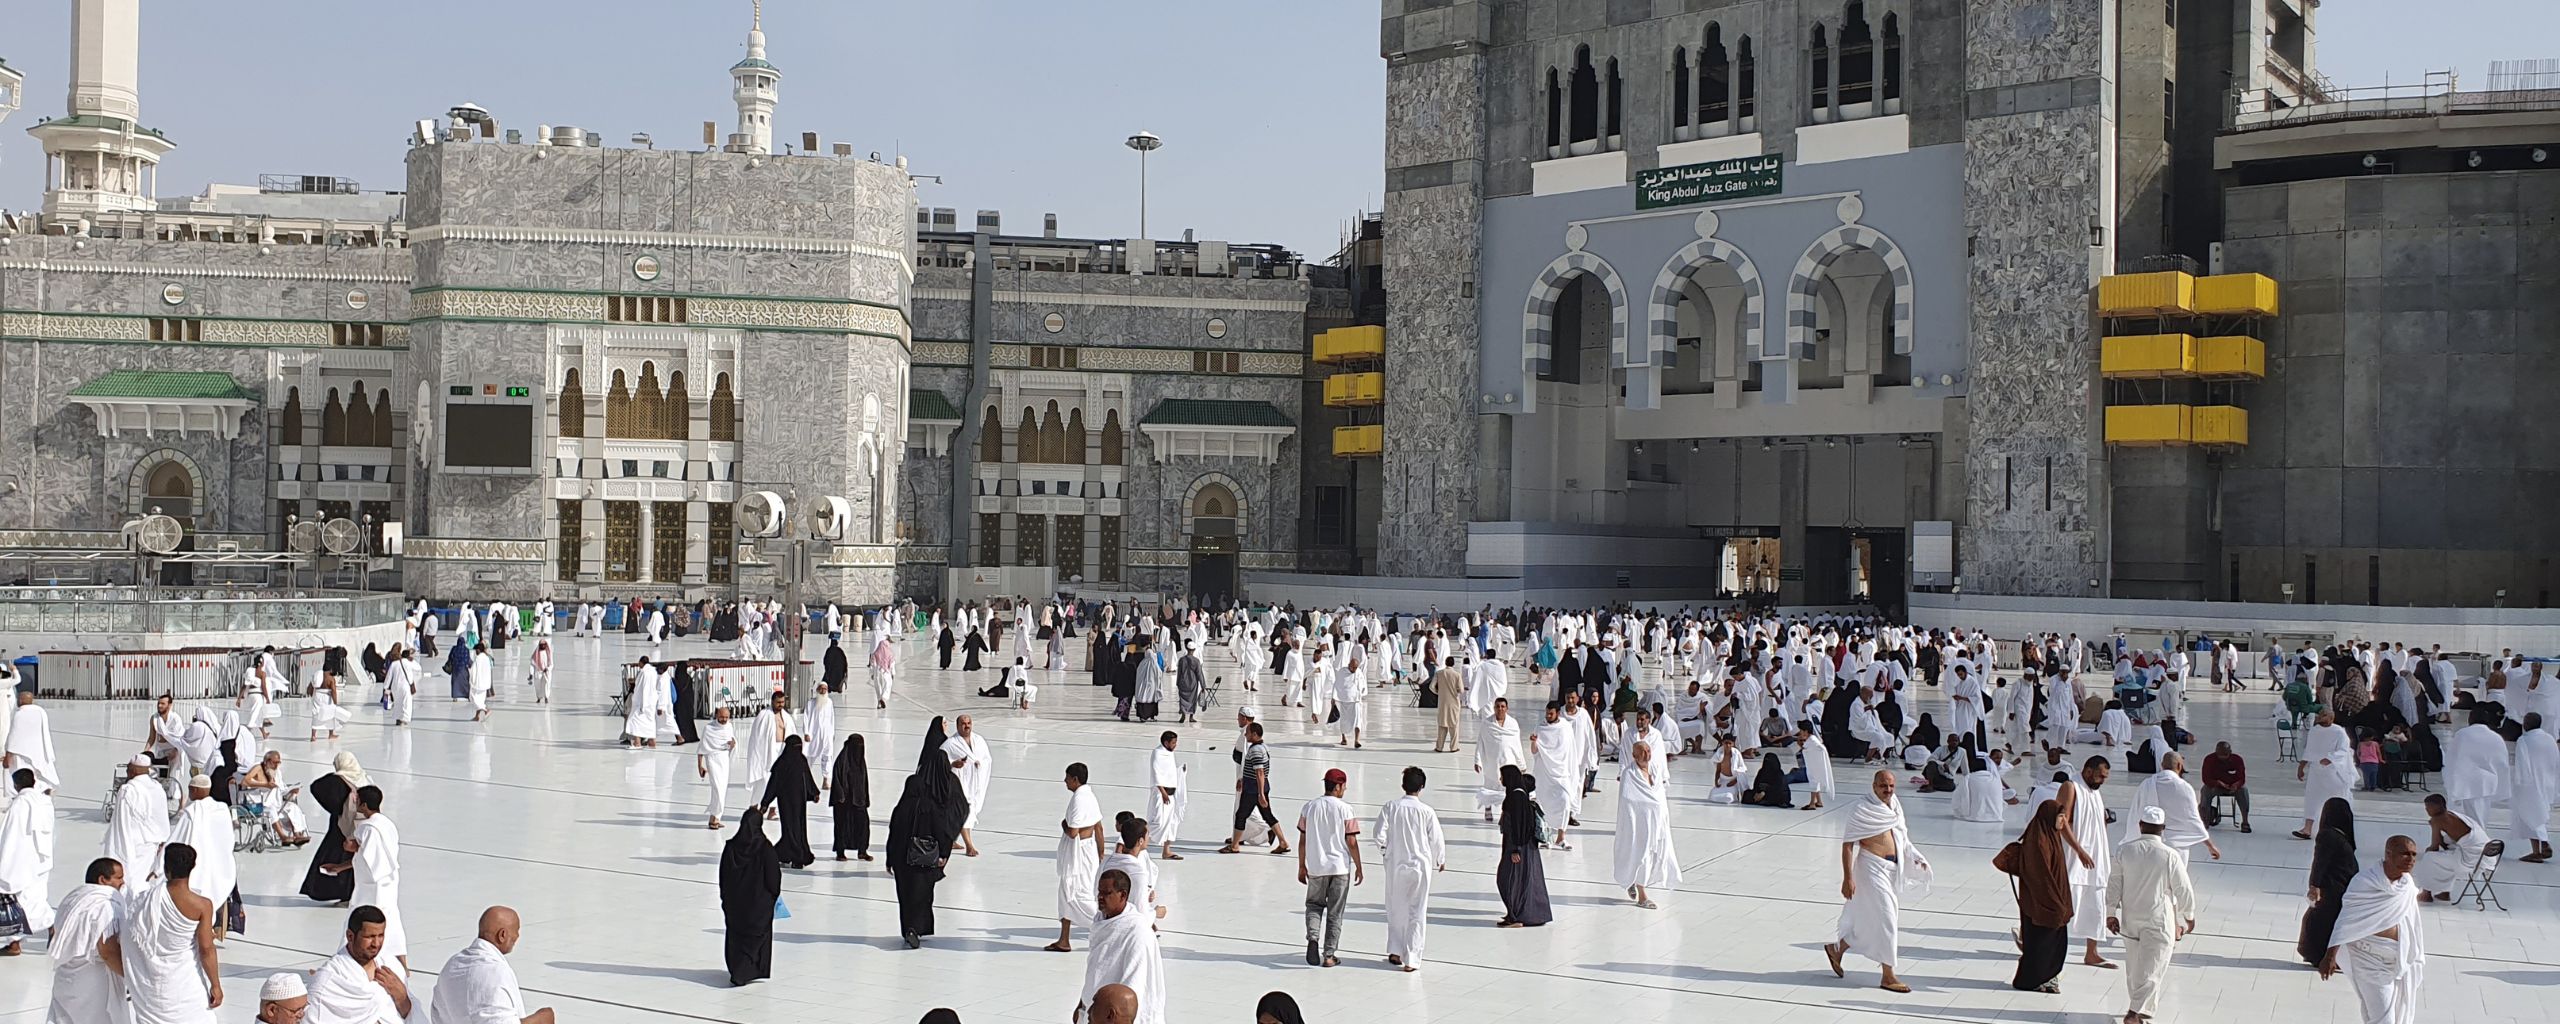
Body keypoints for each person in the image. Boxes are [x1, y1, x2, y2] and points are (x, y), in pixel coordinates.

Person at [1825, 770, 1928, 994]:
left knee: (1868, 920)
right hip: (1870, 868)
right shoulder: (1861, 808)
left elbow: (1902, 837)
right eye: (1883, 786)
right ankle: (1888, 976)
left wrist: (1915, 858)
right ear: (1874, 786)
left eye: (1891, 786)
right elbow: (1848, 844)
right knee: (1887, 920)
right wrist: (1847, 878)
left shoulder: (1894, 806)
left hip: (1891, 869)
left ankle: (1836, 949)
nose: (1888, 790)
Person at [107, 842, 221, 1024]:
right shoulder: (201, 905)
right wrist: (215, 985)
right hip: (185, 982)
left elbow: (129, 938)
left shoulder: (145, 901)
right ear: (192, 867)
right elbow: (206, 949)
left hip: (151, 984)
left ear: (166, 867)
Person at [2320, 835, 2425, 1024]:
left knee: (2378, 1016)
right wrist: (2330, 955)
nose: (2411, 860)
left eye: (2414, 855)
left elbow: (2411, 922)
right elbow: (2346, 918)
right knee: (2384, 1020)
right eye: (2404, 854)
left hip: (2397, 959)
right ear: (2388, 854)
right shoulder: (2364, 881)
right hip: (2367, 957)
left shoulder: (2407, 885)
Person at [2108, 806, 2198, 1024]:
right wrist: (2189, 914)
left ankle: (2144, 1009)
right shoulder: (2169, 855)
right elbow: (2183, 889)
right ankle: (2134, 1012)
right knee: (2154, 968)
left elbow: (2114, 884)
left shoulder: (2124, 850)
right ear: (2163, 829)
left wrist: (2111, 912)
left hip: (2130, 919)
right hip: (2158, 921)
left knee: (2135, 969)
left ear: (2140, 826)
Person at [886, 718, 970, 948]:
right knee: (922, 894)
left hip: (903, 858)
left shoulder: (905, 805)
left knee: (905, 895)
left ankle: (909, 929)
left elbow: (894, 832)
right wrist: (943, 853)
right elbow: (943, 828)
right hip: (925, 857)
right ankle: (918, 927)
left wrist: (889, 859)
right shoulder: (933, 805)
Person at [1997, 800, 2076, 993]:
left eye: (2064, 816)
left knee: (2050, 944)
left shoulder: (2050, 835)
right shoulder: (2038, 841)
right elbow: (2041, 875)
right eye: (2060, 816)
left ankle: (2045, 979)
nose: (2063, 821)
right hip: (2041, 903)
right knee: (2041, 944)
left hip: (2050, 900)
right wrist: (2055, 903)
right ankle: (2034, 981)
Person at [429, 906, 552, 1024]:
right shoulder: (496, 972)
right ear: (502, 935)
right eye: (516, 931)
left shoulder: (452, 965)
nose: (517, 936)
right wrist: (540, 1019)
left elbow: (437, 1013)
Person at [326, 786, 406, 967]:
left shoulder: (367, 827)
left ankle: (349, 963)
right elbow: (366, 855)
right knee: (391, 919)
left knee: (361, 922)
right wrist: (340, 868)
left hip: (370, 885)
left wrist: (348, 845)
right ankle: (402, 965)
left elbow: (358, 851)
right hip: (389, 880)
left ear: (364, 804)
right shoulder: (388, 824)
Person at [1376, 766, 1446, 972]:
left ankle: (1396, 951)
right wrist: (1440, 859)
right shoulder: (1426, 811)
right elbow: (1436, 838)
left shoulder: (1391, 807)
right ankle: (1412, 959)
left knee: (1396, 908)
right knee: (1417, 911)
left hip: (1396, 864)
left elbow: (1379, 833)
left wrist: (1386, 852)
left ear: (1403, 785)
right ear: (1422, 787)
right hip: (1420, 866)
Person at [1075, 871, 1165, 1024]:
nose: (1100, 898)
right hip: (1094, 1012)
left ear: (1123, 895)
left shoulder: (1137, 932)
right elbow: (1095, 969)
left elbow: (1133, 986)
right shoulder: (1101, 921)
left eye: (1107, 893)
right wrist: (1082, 1005)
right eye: (1099, 892)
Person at [47, 857, 127, 1024]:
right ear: (103, 880)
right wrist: (130, 978)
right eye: (118, 878)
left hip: (66, 976)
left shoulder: (73, 899)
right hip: (94, 982)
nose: (123, 882)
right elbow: (107, 951)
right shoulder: (104, 905)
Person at [1295, 767, 1361, 968]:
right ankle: (1329, 955)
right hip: (1340, 867)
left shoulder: (1310, 807)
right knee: (1335, 912)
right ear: (1339, 786)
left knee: (1314, 906)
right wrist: (1358, 865)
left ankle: (1313, 938)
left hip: (1316, 866)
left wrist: (1301, 865)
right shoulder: (1346, 809)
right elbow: (1351, 841)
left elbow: (1303, 840)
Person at [305, 906, 411, 1024]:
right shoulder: (329, 979)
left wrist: (402, 997)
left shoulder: (392, 965)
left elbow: (412, 1015)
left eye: (380, 936)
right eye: (369, 937)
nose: (376, 944)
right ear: (350, 936)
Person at [164, 776, 237, 940]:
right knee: (212, 894)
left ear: (195, 790)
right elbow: (228, 839)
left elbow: (177, 839)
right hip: (218, 863)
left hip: (196, 863)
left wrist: (157, 864)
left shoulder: (192, 812)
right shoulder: (222, 809)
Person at [716, 807, 782, 985]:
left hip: (735, 904)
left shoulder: (731, 847)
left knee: (736, 936)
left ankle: (737, 968)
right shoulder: (765, 849)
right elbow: (773, 878)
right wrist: (772, 898)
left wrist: (726, 898)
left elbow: (724, 876)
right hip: (758, 906)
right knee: (756, 937)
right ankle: (747, 970)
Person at [1047, 762, 1106, 953]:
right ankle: (1064, 939)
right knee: (1066, 895)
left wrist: (1063, 824)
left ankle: (1110, 928)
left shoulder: (1079, 799)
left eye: (1067, 778)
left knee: (1079, 896)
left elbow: (1073, 831)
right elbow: (1099, 827)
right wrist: (1100, 852)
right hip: (1087, 852)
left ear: (1075, 779)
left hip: (1079, 854)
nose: (1065, 781)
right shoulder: (1090, 795)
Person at [1615, 739, 1681, 908]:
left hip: (1657, 822)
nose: (1647, 755)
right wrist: (1649, 806)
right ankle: (1642, 896)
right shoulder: (1629, 774)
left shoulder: (1656, 770)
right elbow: (1628, 799)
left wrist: (1658, 810)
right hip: (1638, 824)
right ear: (1634, 755)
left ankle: (1634, 882)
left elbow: (1659, 795)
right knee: (1641, 855)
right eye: (1642, 752)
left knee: (1651, 856)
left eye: (1649, 750)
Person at [2119, 753, 2221, 862]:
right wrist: (2210, 845)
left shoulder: (2146, 784)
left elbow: (2135, 813)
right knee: (2176, 878)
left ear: (2162, 765)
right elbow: (2193, 819)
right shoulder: (2185, 788)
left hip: (2150, 844)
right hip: (2177, 846)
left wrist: (2131, 839)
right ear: (2179, 766)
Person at [2066, 757, 2116, 968]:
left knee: (2095, 905)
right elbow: (2062, 822)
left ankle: (2092, 953)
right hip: (2074, 858)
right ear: (2087, 770)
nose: (2102, 780)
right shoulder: (2071, 787)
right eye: (2100, 776)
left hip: (2096, 860)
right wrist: (2079, 851)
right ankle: (2035, 942)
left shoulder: (2095, 791)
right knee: (2064, 904)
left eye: (2105, 777)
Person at [2299, 797, 2360, 965]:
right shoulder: (2332, 835)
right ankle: (2320, 956)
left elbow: (2320, 861)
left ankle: (2319, 955)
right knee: (2325, 922)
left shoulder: (2331, 834)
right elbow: (2320, 862)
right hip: (2334, 887)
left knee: (2323, 922)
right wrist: (2315, 885)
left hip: (2335, 887)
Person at [0, 768, 54, 953]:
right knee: (35, 898)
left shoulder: (21, 804)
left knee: (17, 902)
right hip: (41, 860)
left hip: (20, 860)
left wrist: (4, 865)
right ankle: (17, 941)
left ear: (16, 785)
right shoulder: (44, 802)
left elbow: (11, 836)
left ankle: (14, 942)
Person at [300, 753, 366, 905]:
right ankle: (352, 894)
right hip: (361, 826)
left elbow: (316, 786)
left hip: (341, 827)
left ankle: (344, 893)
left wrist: (335, 808)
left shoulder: (339, 781)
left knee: (337, 858)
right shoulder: (364, 778)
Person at [1494, 767, 1552, 927]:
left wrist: (1516, 849)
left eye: (1502, 776)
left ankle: (1517, 916)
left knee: (1510, 879)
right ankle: (1519, 914)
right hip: (1523, 847)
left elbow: (1518, 825)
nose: (1501, 780)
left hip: (1519, 847)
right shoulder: (1518, 795)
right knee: (1521, 879)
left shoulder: (1516, 797)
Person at [1220, 723, 1287, 855]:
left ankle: (1234, 846)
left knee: (1240, 816)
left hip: (1253, 790)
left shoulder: (1255, 750)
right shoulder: (1263, 747)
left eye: (1248, 733)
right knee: (1268, 815)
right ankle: (1283, 842)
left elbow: (1260, 772)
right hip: (1258, 787)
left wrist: (1260, 794)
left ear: (1255, 734)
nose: (1246, 735)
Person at [103, 756, 171, 884]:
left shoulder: (128, 790)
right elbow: (162, 819)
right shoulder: (158, 787)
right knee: (145, 881)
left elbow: (121, 823)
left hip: (133, 844)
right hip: (152, 846)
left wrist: (117, 850)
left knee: (131, 880)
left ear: (133, 772)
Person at [2442, 709, 2511, 828]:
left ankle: (2476, 841)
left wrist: (2450, 779)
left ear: (2470, 719)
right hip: (2487, 782)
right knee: (2481, 814)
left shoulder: (2462, 734)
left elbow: (2452, 757)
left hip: (2466, 780)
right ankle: (2479, 837)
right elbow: (2502, 762)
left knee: (2465, 816)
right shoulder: (2496, 737)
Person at [758, 736, 819, 870]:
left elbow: (807, 777)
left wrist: (814, 793)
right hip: (786, 802)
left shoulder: (801, 760)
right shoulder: (782, 763)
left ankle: (783, 855)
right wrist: (765, 803)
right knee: (790, 829)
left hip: (799, 802)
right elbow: (773, 784)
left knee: (798, 829)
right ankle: (797, 857)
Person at [2412, 793, 2487, 902]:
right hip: (2484, 856)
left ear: (2436, 807)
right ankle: (2444, 892)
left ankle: (2426, 893)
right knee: (2446, 857)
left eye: (2428, 807)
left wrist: (2423, 853)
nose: (2426, 810)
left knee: (2428, 858)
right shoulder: (2454, 814)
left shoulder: (2437, 820)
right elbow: (2446, 844)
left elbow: (2434, 847)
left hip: (2470, 860)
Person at [1528, 702, 1583, 849]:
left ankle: (1561, 837)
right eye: (1547, 713)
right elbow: (1535, 751)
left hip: (1561, 772)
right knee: (1543, 804)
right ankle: (1545, 837)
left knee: (1565, 801)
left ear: (1558, 713)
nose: (1548, 716)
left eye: (1551, 713)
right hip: (1544, 772)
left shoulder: (1565, 727)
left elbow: (1570, 750)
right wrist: (1533, 743)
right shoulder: (1540, 727)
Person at [2296, 710, 2358, 839]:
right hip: (2316, 770)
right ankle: (2307, 828)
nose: (2321, 717)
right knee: (2312, 799)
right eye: (2320, 714)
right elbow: (2309, 750)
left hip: (2333, 771)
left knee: (2336, 799)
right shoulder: (2314, 731)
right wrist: (2302, 766)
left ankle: (2339, 828)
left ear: (2331, 718)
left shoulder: (2339, 731)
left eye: (2324, 715)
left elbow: (2344, 749)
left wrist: (2331, 758)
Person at [940, 716, 993, 858]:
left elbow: (987, 758)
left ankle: (949, 839)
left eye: (969, 723)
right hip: (959, 784)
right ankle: (969, 845)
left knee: (965, 812)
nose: (967, 726)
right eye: (963, 724)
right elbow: (940, 762)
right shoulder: (950, 744)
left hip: (976, 783)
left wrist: (979, 763)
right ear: (957, 726)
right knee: (965, 813)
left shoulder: (979, 740)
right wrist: (953, 764)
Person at [740, 691, 798, 803]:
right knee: (764, 781)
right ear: (772, 701)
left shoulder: (786, 717)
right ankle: (754, 807)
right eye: (778, 702)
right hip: (767, 751)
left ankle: (772, 810)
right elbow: (757, 738)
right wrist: (758, 756)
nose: (780, 705)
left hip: (782, 750)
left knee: (781, 780)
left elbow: (792, 734)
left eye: (782, 702)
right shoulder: (763, 715)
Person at [2515, 713, 2558, 862]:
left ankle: (2539, 849)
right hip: (2547, 782)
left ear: (2526, 724)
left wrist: (2519, 784)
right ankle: (2542, 845)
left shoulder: (2524, 740)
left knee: (2530, 816)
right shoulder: (2550, 739)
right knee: (2540, 814)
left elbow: (2522, 765)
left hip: (2530, 784)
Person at [1475, 697, 1524, 822]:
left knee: (1507, 789)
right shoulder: (1487, 724)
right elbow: (1480, 742)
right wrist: (1477, 761)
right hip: (1491, 761)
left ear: (1507, 708)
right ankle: (1487, 808)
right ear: (1494, 708)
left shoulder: (1513, 724)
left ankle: (1504, 813)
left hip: (1508, 761)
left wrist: (1521, 764)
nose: (1500, 709)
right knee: (1489, 785)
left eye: (1503, 706)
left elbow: (1517, 744)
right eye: (1497, 706)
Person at [6, 690, 59, 794]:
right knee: (37, 774)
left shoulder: (20, 714)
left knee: (21, 775)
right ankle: (43, 790)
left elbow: (13, 736)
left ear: (20, 700)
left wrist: (8, 755)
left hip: (21, 752)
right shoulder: (40, 711)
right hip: (39, 750)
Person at [830, 734, 872, 861]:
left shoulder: (860, 761)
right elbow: (837, 779)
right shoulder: (842, 761)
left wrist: (866, 798)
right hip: (844, 801)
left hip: (859, 800)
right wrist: (840, 795)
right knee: (842, 826)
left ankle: (862, 851)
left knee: (863, 825)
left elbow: (864, 781)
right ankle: (840, 852)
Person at [1148, 732, 1187, 860]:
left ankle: (1166, 851)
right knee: (1158, 823)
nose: (1175, 745)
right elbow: (1156, 773)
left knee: (1171, 823)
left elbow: (1169, 772)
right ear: (1166, 743)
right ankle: (1135, 839)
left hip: (1171, 794)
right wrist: (1163, 792)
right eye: (1173, 742)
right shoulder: (1157, 753)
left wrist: (1180, 772)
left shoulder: (1169, 753)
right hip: (1161, 794)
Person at [2199, 741, 2251, 833]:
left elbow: (2242, 778)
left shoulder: (2237, 759)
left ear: (2230, 753)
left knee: (2244, 790)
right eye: (2220, 755)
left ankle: (2245, 821)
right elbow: (2205, 778)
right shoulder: (2209, 759)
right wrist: (2217, 783)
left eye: (2225, 755)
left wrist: (2236, 785)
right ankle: (2204, 820)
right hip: (2216, 786)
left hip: (2233, 787)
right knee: (2205, 790)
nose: (2223, 757)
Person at [699, 706, 737, 830]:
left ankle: (714, 818)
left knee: (722, 789)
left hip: (724, 759)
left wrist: (733, 744)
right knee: (717, 788)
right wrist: (700, 765)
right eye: (721, 717)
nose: (724, 720)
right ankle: (714, 818)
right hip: (712, 759)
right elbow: (702, 748)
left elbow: (732, 742)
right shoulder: (709, 728)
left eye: (726, 717)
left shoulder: (729, 726)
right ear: (716, 715)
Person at [1430, 659, 1465, 752]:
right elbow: (1461, 690)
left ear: (1445, 663)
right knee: (1454, 726)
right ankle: (1453, 747)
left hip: (1442, 702)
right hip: (1454, 703)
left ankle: (1439, 747)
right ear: (1453, 664)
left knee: (1442, 725)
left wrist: (1438, 692)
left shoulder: (1439, 673)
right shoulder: (1457, 675)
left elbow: (1431, 686)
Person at [1798, 723, 1833, 812]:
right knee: (1815, 780)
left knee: (1813, 780)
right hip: (1815, 763)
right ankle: (1819, 801)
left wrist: (1799, 743)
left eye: (1801, 731)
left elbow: (1804, 749)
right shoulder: (1812, 739)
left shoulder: (1812, 740)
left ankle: (1812, 803)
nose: (1800, 733)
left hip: (1815, 764)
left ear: (1805, 731)